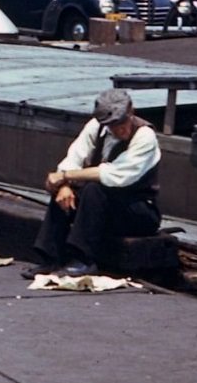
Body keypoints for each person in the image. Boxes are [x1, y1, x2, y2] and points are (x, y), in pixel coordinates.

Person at [33, 87, 161, 274]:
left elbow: (115, 175)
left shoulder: (145, 136)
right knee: (64, 193)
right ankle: (50, 256)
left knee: (94, 189)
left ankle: (84, 258)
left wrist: (66, 176)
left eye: (122, 122)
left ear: (131, 112)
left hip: (138, 212)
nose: (120, 129)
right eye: (113, 125)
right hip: (106, 209)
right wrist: (64, 185)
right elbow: (73, 158)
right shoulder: (96, 126)